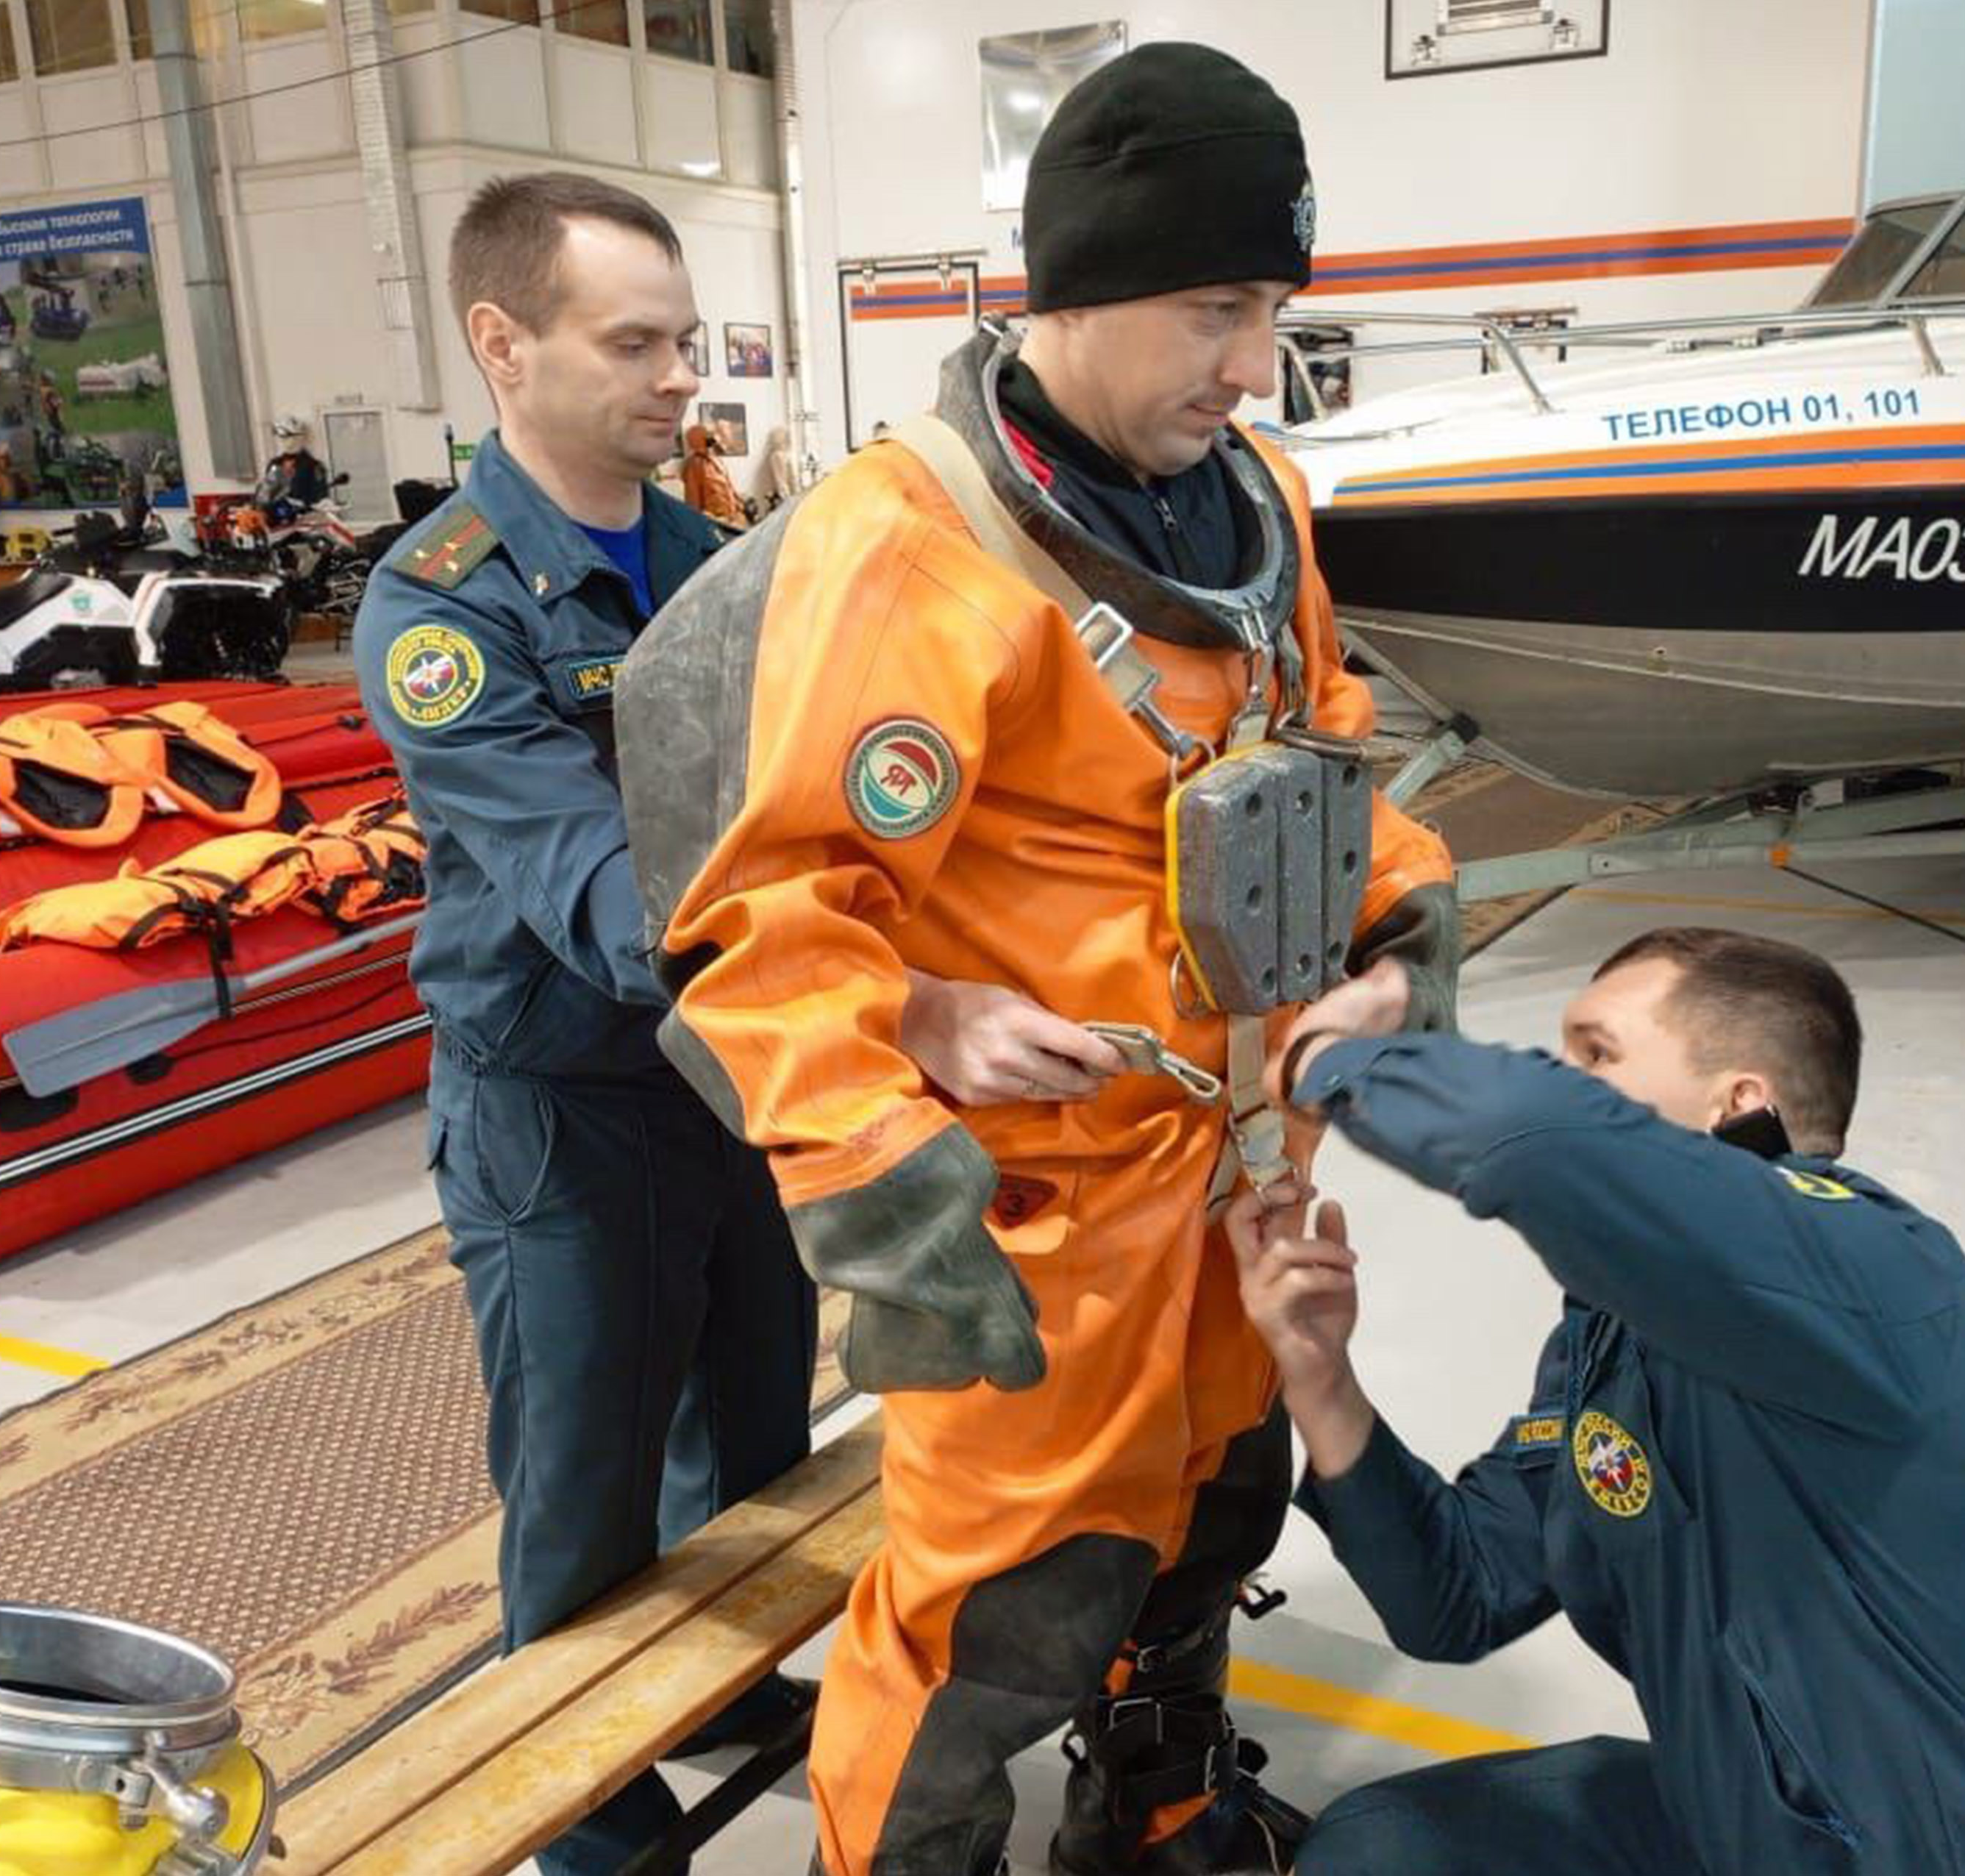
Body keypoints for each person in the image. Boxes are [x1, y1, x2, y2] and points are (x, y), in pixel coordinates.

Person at [616, 42, 1461, 1876]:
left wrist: (1395, 938)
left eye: (1273, 310)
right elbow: (764, 936)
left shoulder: (1261, 511)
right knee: (998, 1618)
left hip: (1241, 1181)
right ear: (1075, 285)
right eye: (1214, 309)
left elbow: (1326, 755)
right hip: (1036, 1230)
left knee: (1213, 1517)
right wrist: (901, 1209)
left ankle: (1150, 1810)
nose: (1254, 363)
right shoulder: (910, 552)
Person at [1232, 927, 1965, 1875]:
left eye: (1597, 1056)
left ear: (1738, 1102)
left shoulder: (1878, 1273)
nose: (1563, 1076)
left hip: (1931, 1854)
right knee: (1384, 1850)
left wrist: (1323, 1053)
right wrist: (1320, 1377)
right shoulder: (1614, 1341)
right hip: (1737, 1823)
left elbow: (1538, 1140)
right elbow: (1455, 1597)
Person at [351, 172, 819, 1876]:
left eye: (682, 342)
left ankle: (714, 1696)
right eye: (632, 343)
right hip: (559, 1106)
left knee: (755, 1433)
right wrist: (867, 969)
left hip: (733, 1074)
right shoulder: (441, 607)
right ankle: (585, 1823)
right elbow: (596, 890)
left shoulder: (714, 560)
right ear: (503, 346)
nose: (675, 375)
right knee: (582, 1483)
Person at [677, 421, 747, 527]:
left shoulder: (717, 460)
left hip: (733, 520)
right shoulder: (695, 465)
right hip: (714, 523)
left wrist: (740, 508)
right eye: (707, 435)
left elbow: (730, 488)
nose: (713, 439)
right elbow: (693, 502)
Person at [260, 415, 333, 512]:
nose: (286, 442)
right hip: (277, 516)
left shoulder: (314, 466)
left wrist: (303, 503)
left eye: (290, 438)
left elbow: (320, 496)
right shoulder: (275, 464)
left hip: (304, 517)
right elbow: (266, 491)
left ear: (301, 438)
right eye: (282, 438)